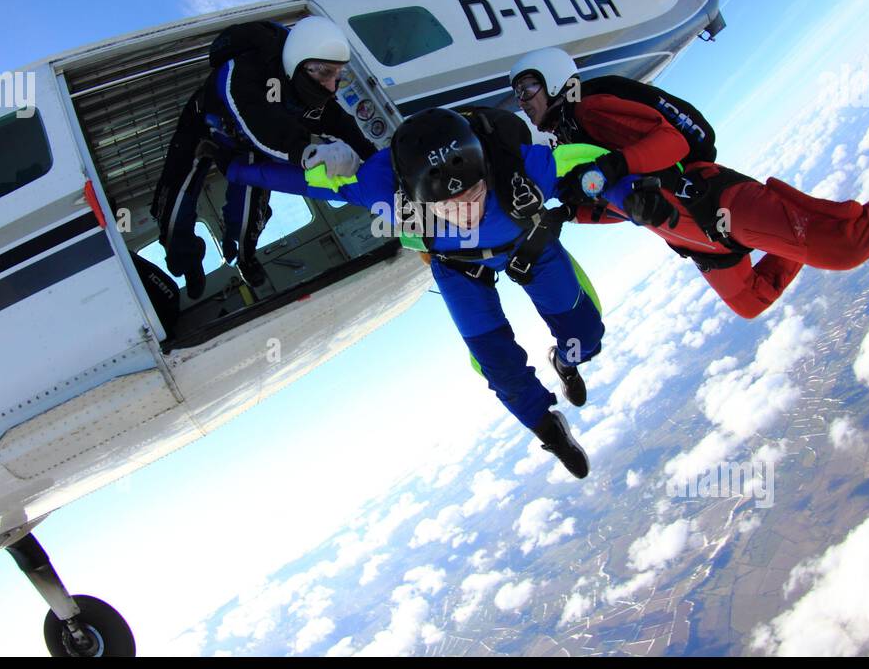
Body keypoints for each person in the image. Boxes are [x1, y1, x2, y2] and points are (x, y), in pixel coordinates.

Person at [222, 106, 607, 478]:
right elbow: (300, 182)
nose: (466, 211)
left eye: (474, 193)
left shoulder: (522, 166)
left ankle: (567, 361)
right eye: (449, 204)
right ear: (413, 193)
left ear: (487, 167)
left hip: (527, 245)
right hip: (459, 266)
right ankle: (550, 431)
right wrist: (234, 168)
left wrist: (631, 189)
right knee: (499, 367)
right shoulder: (380, 189)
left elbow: (601, 163)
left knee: (584, 337)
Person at [508, 47, 869, 319]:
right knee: (752, 302)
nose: (523, 100)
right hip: (692, 238)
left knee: (844, 248)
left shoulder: (590, 107)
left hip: (716, 202)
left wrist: (616, 166)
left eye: (528, 87)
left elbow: (671, 141)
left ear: (553, 79)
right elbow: (614, 203)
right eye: (518, 94)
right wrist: (571, 211)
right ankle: (798, 227)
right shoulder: (569, 141)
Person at [150, 16, 376, 295]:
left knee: (248, 212)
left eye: (338, 74)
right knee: (174, 205)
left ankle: (244, 254)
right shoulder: (242, 70)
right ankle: (184, 258)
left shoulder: (316, 92)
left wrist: (379, 159)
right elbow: (259, 121)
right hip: (206, 127)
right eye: (325, 73)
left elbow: (344, 126)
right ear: (299, 62)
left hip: (248, 147)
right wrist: (308, 151)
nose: (332, 86)